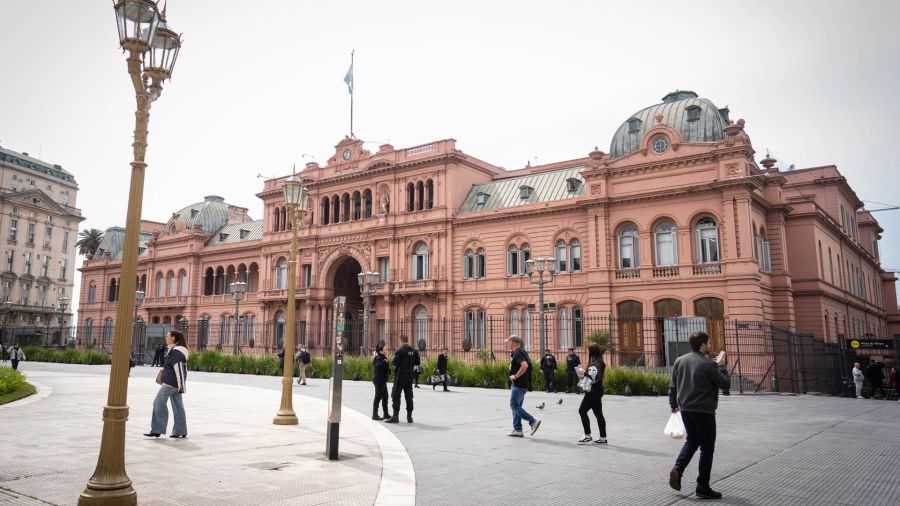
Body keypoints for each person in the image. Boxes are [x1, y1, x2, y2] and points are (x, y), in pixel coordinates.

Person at [668, 331, 731, 500]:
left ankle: (678, 468)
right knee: (707, 448)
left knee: (692, 441)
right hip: (704, 411)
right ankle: (702, 486)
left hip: (685, 410)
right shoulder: (709, 364)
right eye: (709, 343)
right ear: (703, 345)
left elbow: (673, 386)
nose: (710, 346)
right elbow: (725, 384)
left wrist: (673, 405)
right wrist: (721, 367)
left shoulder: (680, 361)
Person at [145, 330, 189, 438]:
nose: (165, 337)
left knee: (158, 403)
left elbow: (179, 369)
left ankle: (157, 429)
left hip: (171, 383)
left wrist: (182, 386)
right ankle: (180, 431)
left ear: (173, 338)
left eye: (167, 336)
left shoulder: (176, 352)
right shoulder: (175, 350)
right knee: (178, 406)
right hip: (175, 383)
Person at [506, 335, 541, 438]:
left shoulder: (518, 353)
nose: (507, 344)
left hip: (519, 385)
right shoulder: (521, 352)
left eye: (508, 342)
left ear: (513, 342)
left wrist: (515, 376)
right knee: (517, 406)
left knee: (514, 405)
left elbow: (524, 366)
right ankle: (517, 429)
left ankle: (533, 422)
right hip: (521, 385)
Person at [577, 343, 607, 445]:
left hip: (593, 392)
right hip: (597, 391)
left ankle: (587, 435)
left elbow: (595, 378)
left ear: (592, 351)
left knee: (582, 411)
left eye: (588, 350)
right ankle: (603, 437)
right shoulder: (599, 361)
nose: (587, 352)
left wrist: (583, 372)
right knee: (598, 414)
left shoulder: (595, 363)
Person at [386, 334, 419, 424]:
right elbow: (417, 362)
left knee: (396, 395)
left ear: (401, 340)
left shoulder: (400, 350)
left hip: (400, 376)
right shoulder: (413, 350)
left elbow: (394, 362)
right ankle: (409, 416)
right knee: (409, 396)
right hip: (409, 376)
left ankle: (395, 416)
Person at [372, 344, 391, 420]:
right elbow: (378, 366)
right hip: (379, 380)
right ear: (380, 351)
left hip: (382, 380)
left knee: (385, 396)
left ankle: (385, 414)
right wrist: (385, 362)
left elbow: (385, 368)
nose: (386, 350)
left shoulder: (383, 358)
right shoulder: (378, 358)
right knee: (378, 396)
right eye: (385, 349)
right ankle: (374, 414)